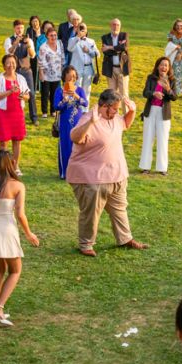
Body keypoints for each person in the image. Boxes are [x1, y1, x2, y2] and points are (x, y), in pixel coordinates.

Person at [67, 89, 148, 256]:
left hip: (116, 175)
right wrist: (90, 123)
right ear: (104, 106)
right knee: (91, 213)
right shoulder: (89, 119)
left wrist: (131, 111)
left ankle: (125, 238)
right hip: (91, 178)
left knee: (119, 209)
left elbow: (124, 124)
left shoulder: (114, 118)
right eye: (115, 109)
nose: (117, 112)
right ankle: (86, 244)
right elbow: (74, 137)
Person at [0, 150, 40, 327]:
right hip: (6, 229)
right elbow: (20, 214)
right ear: (12, 163)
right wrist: (29, 233)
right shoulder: (17, 186)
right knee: (15, 270)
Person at [0, 54, 30, 175]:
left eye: (13, 62)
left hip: (17, 113)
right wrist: (9, 92)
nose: (11, 65)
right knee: (3, 141)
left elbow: (28, 95)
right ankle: (2, 167)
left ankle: (15, 166)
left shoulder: (21, 78)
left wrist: (24, 96)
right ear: (3, 65)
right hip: (4, 113)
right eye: (8, 63)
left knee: (17, 140)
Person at [139, 57, 176, 176]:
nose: (163, 67)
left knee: (163, 140)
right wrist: (153, 93)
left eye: (166, 65)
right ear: (157, 66)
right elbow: (145, 93)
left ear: (169, 68)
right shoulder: (151, 78)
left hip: (163, 113)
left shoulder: (172, 80)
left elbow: (174, 97)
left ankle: (162, 168)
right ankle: (145, 166)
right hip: (150, 111)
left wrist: (168, 89)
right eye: (161, 65)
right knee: (148, 138)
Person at [53, 66, 86, 179]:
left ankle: (78, 172)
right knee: (65, 145)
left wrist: (76, 96)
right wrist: (65, 99)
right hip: (65, 123)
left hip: (78, 121)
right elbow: (56, 106)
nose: (72, 77)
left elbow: (85, 103)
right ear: (65, 76)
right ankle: (65, 172)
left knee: (78, 146)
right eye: (70, 75)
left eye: (74, 75)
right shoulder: (59, 90)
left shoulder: (80, 90)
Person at [3, 19, 38, 125]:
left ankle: (34, 118)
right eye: (18, 28)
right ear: (14, 28)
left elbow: (32, 55)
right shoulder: (9, 40)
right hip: (14, 71)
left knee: (31, 93)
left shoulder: (29, 40)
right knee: (14, 93)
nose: (20, 30)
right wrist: (16, 42)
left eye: (22, 28)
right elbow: (9, 53)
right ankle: (12, 116)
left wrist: (28, 45)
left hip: (27, 70)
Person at [67, 22, 98, 110]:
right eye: (80, 28)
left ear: (86, 30)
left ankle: (85, 109)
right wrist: (77, 37)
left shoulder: (91, 41)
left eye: (83, 29)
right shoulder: (72, 40)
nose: (82, 30)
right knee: (77, 88)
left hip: (88, 68)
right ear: (76, 30)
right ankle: (75, 108)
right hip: (77, 68)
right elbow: (69, 48)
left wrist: (89, 51)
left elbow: (97, 54)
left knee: (86, 90)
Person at [101, 18, 129, 98]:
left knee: (124, 94)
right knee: (112, 94)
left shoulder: (124, 35)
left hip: (122, 68)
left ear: (120, 26)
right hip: (110, 69)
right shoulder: (105, 37)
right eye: (114, 24)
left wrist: (109, 47)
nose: (115, 27)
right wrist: (118, 48)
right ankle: (114, 110)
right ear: (110, 26)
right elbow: (106, 52)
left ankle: (126, 111)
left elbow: (124, 48)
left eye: (117, 25)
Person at [38, 27, 63, 118]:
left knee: (54, 93)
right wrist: (41, 74)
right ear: (47, 36)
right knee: (45, 93)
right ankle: (44, 112)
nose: (53, 37)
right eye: (51, 35)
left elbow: (62, 58)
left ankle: (53, 111)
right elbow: (40, 61)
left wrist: (62, 71)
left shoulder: (60, 44)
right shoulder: (43, 47)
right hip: (46, 74)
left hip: (57, 74)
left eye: (55, 35)